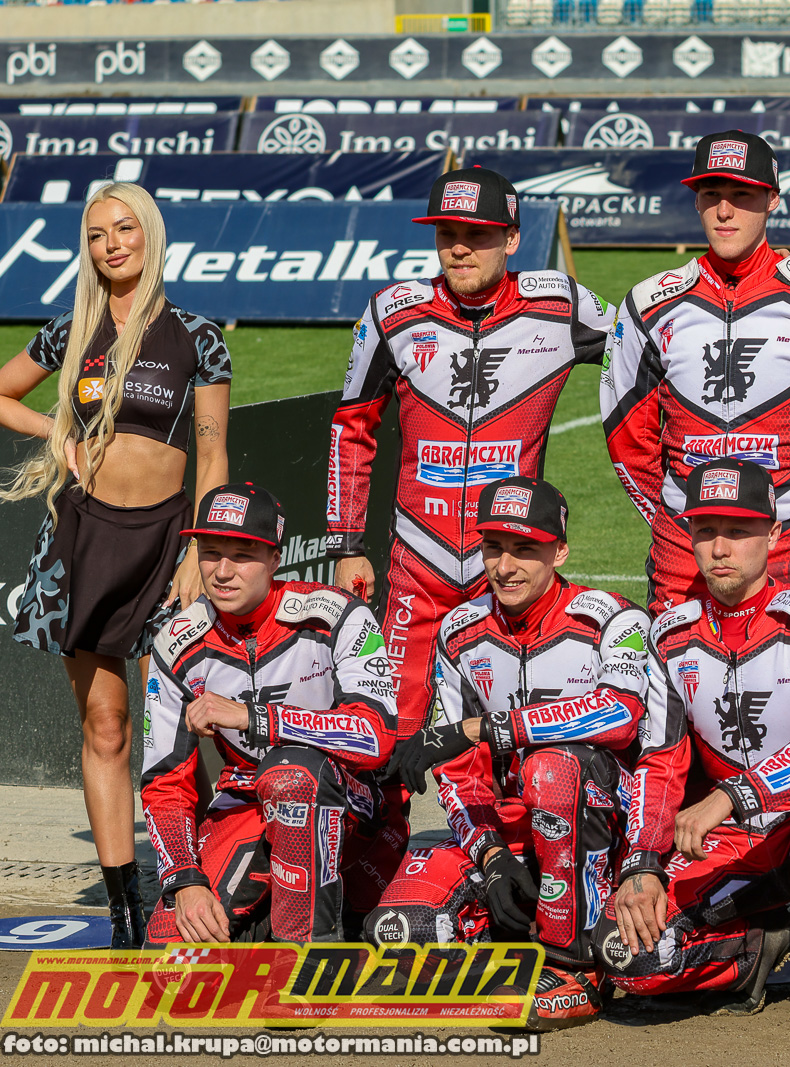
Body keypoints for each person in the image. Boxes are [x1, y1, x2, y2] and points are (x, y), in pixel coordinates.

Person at [0, 183, 231, 948]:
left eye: (124, 229)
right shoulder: (72, 330)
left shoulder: (198, 336)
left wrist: (200, 545)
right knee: (106, 727)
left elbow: (213, 455)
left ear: (149, 235)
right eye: (97, 235)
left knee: (176, 731)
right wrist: (57, 436)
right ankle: (125, 910)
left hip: (168, 546)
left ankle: (200, 878)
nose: (111, 245)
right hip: (83, 543)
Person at [594, 459, 790, 1051]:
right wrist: (642, 863)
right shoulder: (668, 635)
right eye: (705, 531)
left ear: (774, 535)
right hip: (729, 842)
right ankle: (759, 944)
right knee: (625, 953)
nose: (720, 548)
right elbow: (661, 761)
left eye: (739, 531)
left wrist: (734, 795)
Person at [327, 165, 613, 738]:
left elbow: (650, 343)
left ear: (512, 239)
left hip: (506, 568)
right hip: (417, 563)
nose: (459, 248)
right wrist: (348, 545)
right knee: (392, 730)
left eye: (477, 235)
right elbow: (350, 428)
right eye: (447, 234)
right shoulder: (391, 312)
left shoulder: (562, 304)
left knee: (506, 731)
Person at [370, 476, 650, 1031]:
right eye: (493, 547)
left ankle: (576, 967)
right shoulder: (460, 630)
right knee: (395, 934)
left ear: (559, 551)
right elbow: (459, 772)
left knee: (553, 768)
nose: (504, 566)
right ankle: (517, 930)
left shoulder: (614, 621)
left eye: (525, 549)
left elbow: (620, 715)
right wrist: (491, 855)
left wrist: (491, 728)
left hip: (602, 830)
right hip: (512, 830)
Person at [600, 131, 790, 614]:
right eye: (711, 194)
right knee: (677, 665)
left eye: (742, 195)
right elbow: (625, 435)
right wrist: (675, 521)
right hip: (683, 553)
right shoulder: (647, 303)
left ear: (772, 199)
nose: (724, 211)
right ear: (696, 201)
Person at [141, 484, 403, 944]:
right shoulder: (175, 644)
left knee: (292, 775)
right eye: (210, 553)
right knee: (169, 960)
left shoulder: (338, 615)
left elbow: (376, 736)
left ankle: (309, 954)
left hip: (352, 805)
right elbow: (164, 783)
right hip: (246, 804)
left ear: (275, 559)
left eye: (242, 556)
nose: (222, 572)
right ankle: (264, 917)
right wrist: (184, 879)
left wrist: (256, 718)